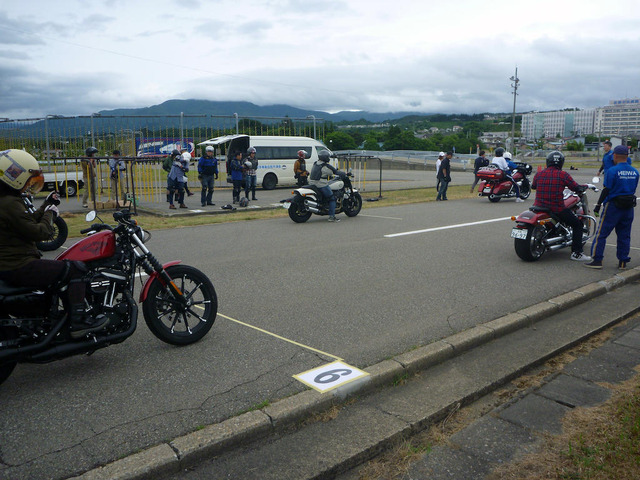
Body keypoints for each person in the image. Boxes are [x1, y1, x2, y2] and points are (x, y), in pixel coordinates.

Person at [0, 149, 108, 337]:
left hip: (8, 263)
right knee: (76, 268)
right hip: (18, 265)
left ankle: (58, 317)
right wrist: (50, 214)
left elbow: (26, 223)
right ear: (13, 176)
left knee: (59, 269)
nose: (28, 184)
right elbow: (41, 233)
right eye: (26, 179)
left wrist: (46, 206)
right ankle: (79, 322)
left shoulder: (7, 200)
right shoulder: (8, 203)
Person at [531, 150, 592, 262]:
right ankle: (577, 253)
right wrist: (586, 186)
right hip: (556, 208)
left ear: (548, 161)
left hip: (538, 207)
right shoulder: (563, 174)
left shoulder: (539, 174)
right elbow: (576, 187)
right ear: (561, 163)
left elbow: (533, 186)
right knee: (577, 224)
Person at [586, 145, 639, 269]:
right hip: (628, 207)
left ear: (615, 156)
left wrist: (598, 205)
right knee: (624, 235)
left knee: (602, 233)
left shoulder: (612, 171)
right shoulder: (635, 172)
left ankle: (597, 260)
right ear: (627, 156)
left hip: (614, 205)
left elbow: (606, 190)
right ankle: (623, 261)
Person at [309, 150, 341, 222]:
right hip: (321, 184)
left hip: (312, 183)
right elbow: (334, 172)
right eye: (328, 157)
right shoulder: (325, 166)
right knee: (332, 198)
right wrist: (344, 173)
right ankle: (332, 216)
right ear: (326, 158)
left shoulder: (315, 163)